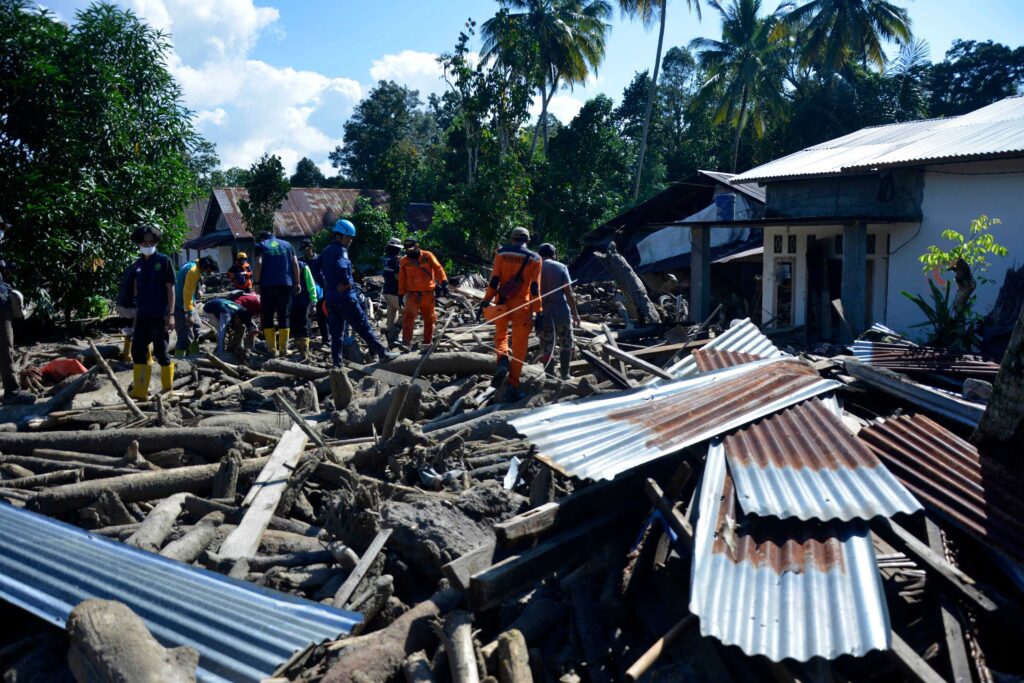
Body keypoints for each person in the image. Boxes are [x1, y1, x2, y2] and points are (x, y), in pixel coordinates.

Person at [320, 219, 397, 366]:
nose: (350, 241)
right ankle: (383, 353)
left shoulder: (326, 251)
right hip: (346, 299)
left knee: (337, 334)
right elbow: (342, 268)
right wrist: (346, 283)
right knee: (363, 326)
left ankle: (338, 364)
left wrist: (326, 284)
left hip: (330, 299)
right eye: (348, 238)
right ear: (339, 236)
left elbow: (315, 268)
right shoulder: (341, 252)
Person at [479, 227, 542, 401]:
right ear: (527, 240)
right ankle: (513, 385)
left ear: (512, 238)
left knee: (501, 337)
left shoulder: (501, 253)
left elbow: (495, 280)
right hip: (522, 306)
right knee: (520, 348)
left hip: (502, 303)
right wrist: (539, 312)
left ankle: (502, 360)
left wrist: (486, 300)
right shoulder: (536, 258)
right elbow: (535, 288)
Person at [127, 224, 176, 400]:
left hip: (159, 315)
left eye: (150, 241)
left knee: (161, 352)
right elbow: (136, 291)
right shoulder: (138, 265)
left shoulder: (164, 261)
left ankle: (167, 389)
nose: (147, 245)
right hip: (142, 315)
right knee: (137, 351)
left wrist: (171, 315)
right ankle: (140, 390)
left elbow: (170, 289)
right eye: (144, 242)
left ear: (156, 242)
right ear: (138, 243)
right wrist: (135, 314)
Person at [0, 218, 35, 404]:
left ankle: (12, 392)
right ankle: (12, 393)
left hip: (2, 304)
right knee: (5, 348)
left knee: (6, 348)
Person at [536, 243, 580, 380]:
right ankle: (565, 374)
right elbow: (569, 293)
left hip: (543, 314)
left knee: (547, 345)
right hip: (561, 312)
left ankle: (549, 376)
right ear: (553, 255)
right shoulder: (561, 267)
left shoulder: (534, 268)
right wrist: (575, 313)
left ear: (539, 254)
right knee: (566, 343)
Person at [253, 231, 301, 357]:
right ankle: (284, 350)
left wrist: (256, 283)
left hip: (267, 286)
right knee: (284, 316)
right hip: (285, 284)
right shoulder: (287, 245)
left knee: (268, 317)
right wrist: (297, 283)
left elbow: (258, 263)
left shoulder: (261, 245)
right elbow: (295, 264)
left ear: (262, 238)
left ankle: (271, 350)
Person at [398, 237, 448, 347]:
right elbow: (402, 279)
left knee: (429, 320)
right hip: (412, 295)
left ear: (417, 246)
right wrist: (401, 294)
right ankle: (406, 344)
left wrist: (444, 281)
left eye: (411, 249)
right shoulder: (404, 261)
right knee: (408, 320)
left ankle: (427, 343)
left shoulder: (427, 256)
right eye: (407, 250)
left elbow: (438, 268)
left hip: (428, 295)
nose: (409, 251)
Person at [173, 256, 218, 357]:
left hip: (187, 303)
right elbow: (187, 293)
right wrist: (189, 313)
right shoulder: (193, 271)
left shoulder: (193, 265)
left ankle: (194, 354)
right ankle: (179, 361)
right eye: (210, 270)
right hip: (180, 305)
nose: (210, 273)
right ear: (206, 266)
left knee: (197, 327)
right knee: (184, 337)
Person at [289, 240, 320, 359]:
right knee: (294, 326)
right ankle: (300, 349)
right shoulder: (285, 268)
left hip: (303, 301)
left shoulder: (303, 266)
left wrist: (313, 301)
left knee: (303, 325)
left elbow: (311, 284)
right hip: (291, 302)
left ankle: (305, 352)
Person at [301, 238, 329, 346]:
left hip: (321, 290)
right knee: (306, 316)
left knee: (322, 316)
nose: (304, 251)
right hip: (306, 292)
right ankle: (307, 338)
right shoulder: (301, 261)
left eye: (306, 248)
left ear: (311, 247)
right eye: (303, 249)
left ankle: (326, 339)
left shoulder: (320, 259)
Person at [381, 237, 403, 343]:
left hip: (387, 291)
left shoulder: (387, 259)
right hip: (393, 291)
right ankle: (395, 332)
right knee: (407, 313)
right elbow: (397, 276)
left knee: (391, 314)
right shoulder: (396, 260)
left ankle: (389, 337)